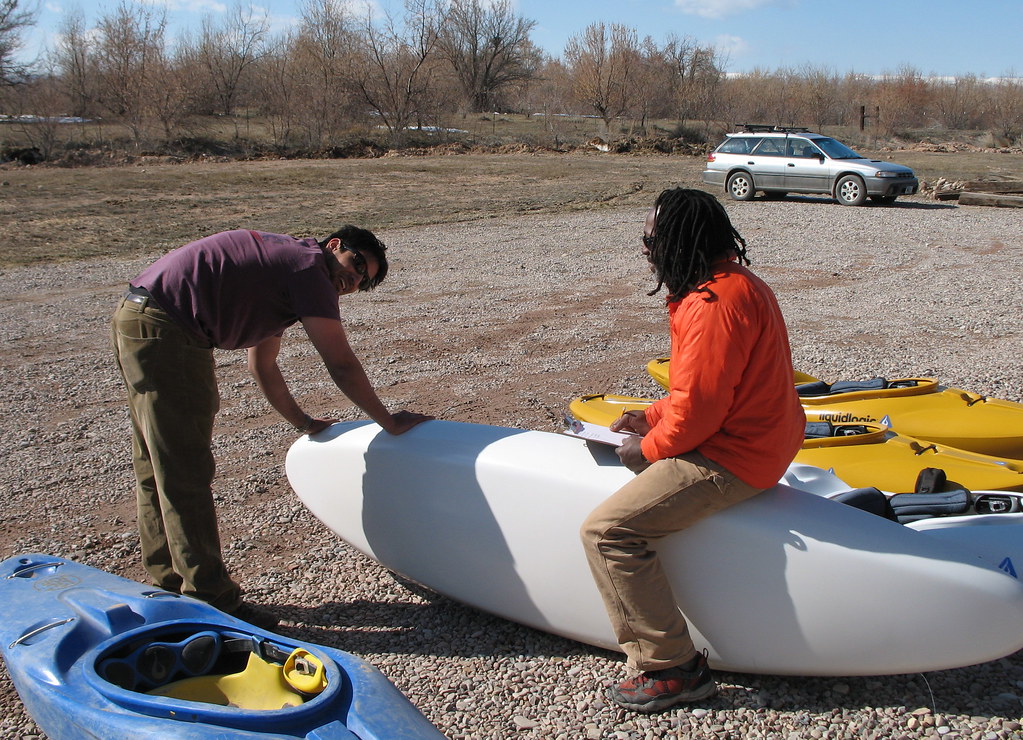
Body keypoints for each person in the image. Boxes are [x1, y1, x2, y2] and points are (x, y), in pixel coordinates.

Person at [111, 226, 432, 630]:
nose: (352, 283)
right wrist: (389, 421)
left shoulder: (286, 271)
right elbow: (341, 362)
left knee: (157, 465)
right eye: (355, 267)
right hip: (167, 329)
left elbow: (261, 365)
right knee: (183, 470)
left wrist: (303, 422)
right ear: (335, 246)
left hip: (142, 317)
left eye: (363, 283)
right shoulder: (308, 270)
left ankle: (168, 583)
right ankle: (211, 600)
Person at [580, 189, 805, 713]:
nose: (646, 248)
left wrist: (647, 447)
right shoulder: (737, 285)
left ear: (682, 240)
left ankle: (671, 668)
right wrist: (649, 416)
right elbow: (704, 393)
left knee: (608, 532)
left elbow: (701, 413)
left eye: (652, 237)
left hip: (736, 457)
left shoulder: (712, 303)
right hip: (759, 442)